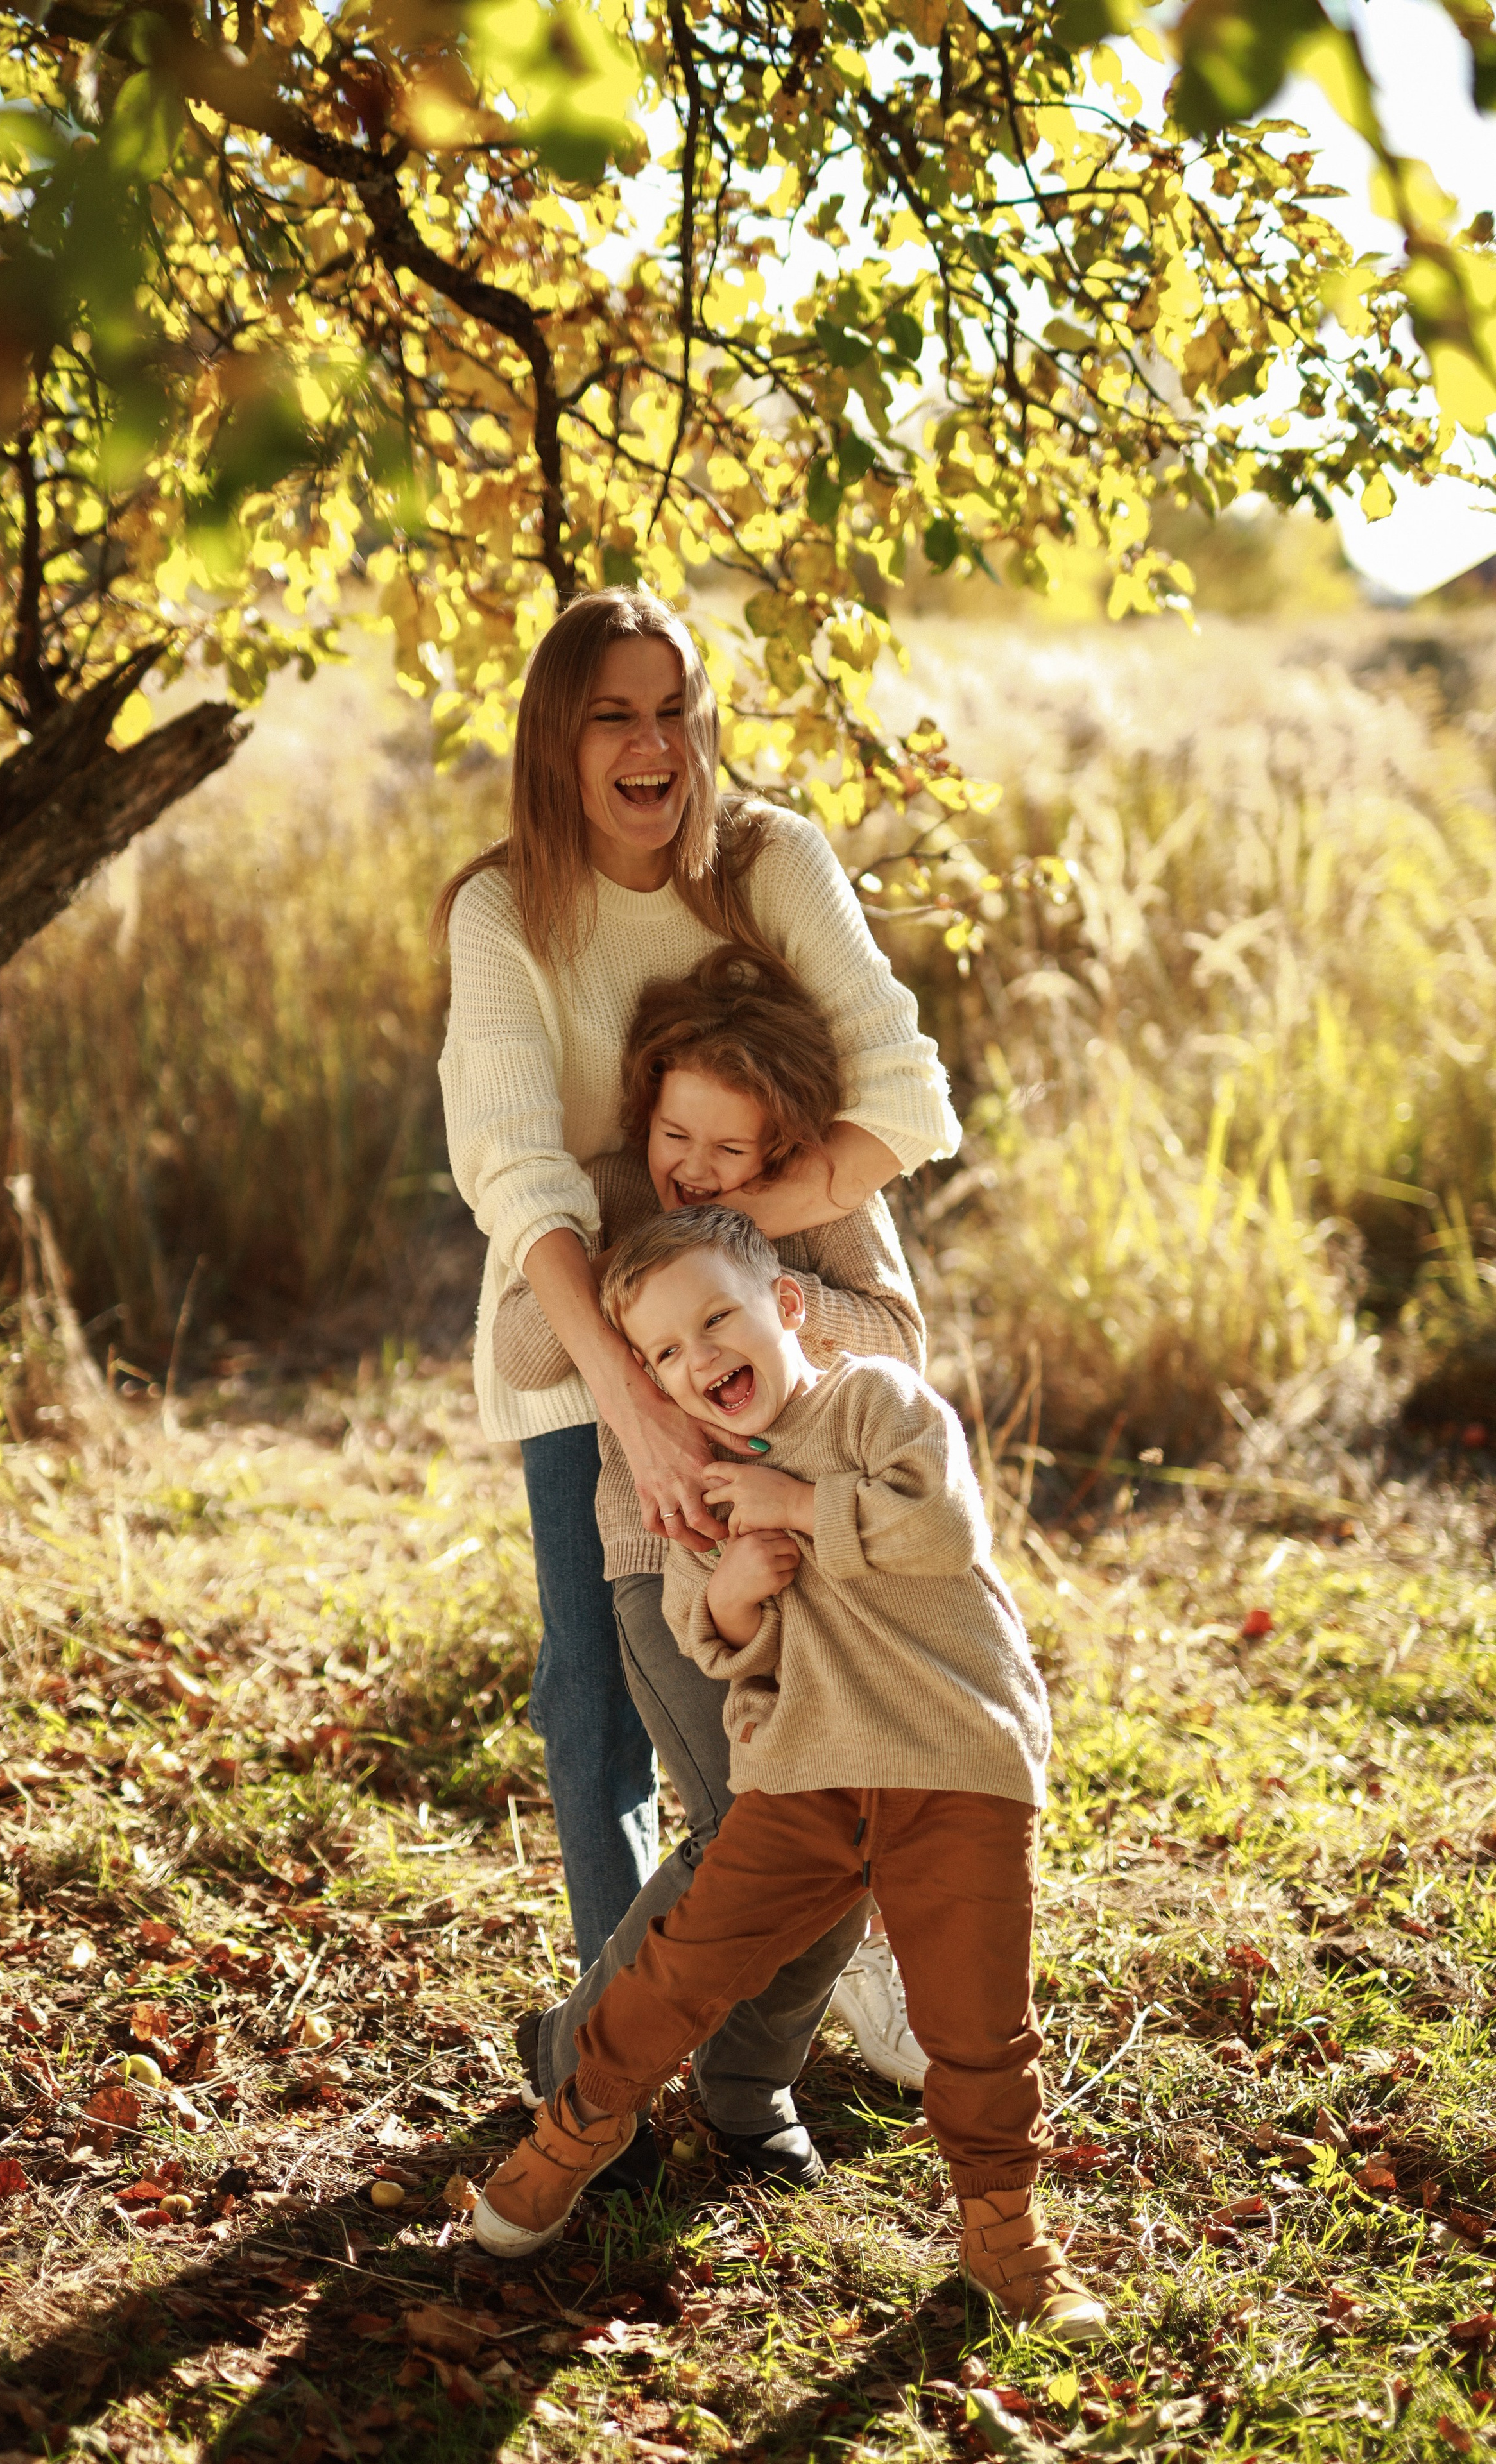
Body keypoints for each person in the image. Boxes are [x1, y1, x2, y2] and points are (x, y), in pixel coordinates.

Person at [434, 590, 957, 2077]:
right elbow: (518, 1174)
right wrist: (631, 1386)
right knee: (594, 1702)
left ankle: (798, 1989)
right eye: (613, 713)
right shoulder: (504, 911)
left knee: (832, 1671)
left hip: (764, 1317)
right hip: (570, 1326)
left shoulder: (764, 861)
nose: (651, 743)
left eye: (673, 709)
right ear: (558, 738)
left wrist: (732, 1256)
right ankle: (623, 2053)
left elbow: (905, 1099)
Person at [470, 1206, 1106, 2349]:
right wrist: (729, 1592)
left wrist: (803, 1509)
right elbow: (699, 1629)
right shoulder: (707, 1474)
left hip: (951, 1762)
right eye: (665, 1352)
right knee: (685, 1961)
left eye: (719, 1319)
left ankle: (1003, 2227)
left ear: (790, 1307)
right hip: (807, 1774)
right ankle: (578, 2128)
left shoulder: (876, 1402)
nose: (699, 1359)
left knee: (977, 2018)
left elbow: (947, 1527)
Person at [491, 945, 932, 2183]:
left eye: (727, 1152)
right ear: (648, 1110)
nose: (692, 1166)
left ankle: (747, 2091)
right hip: (667, 1554)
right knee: (756, 1821)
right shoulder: (615, 1193)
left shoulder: (821, 1197)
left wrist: (752, 1275)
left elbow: (901, 1331)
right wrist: (645, 1299)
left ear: (780, 1143)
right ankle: (580, 2048)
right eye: (676, 1131)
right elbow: (528, 1345)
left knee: (844, 1832)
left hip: (828, 1562)